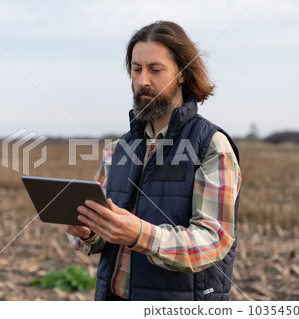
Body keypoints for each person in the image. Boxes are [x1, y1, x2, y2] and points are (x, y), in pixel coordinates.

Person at [64, 21, 241, 301]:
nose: (142, 80)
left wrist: (141, 235)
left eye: (155, 70)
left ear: (182, 73)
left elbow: (214, 241)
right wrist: (88, 232)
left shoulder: (211, 145)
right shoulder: (119, 148)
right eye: (136, 69)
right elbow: (104, 236)